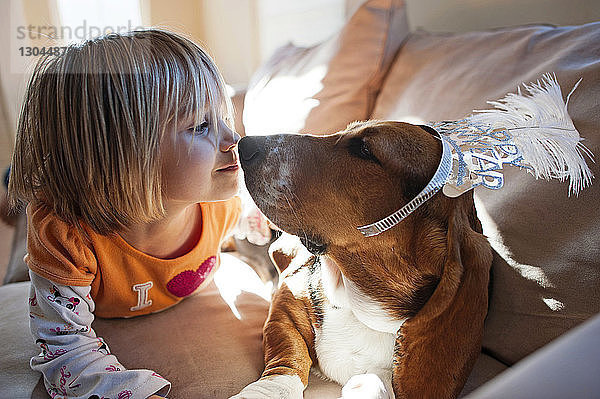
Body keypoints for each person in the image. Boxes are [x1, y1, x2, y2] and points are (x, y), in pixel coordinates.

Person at [8, 29, 269, 398]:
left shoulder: (225, 200)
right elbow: (64, 349)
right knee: (21, 228)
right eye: (200, 126)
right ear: (121, 157)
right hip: (85, 212)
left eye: (223, 117)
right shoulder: (65, 236)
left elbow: (269, 224)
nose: (233, 140)